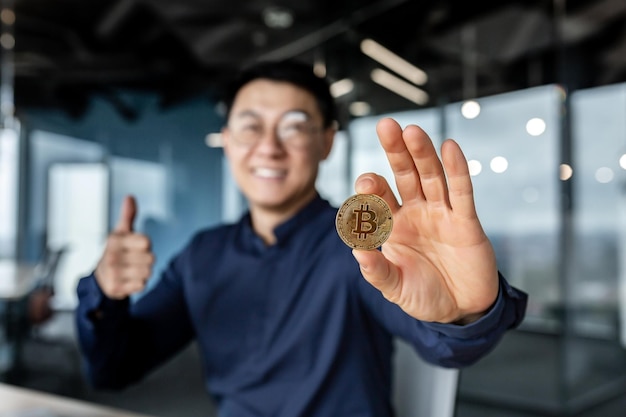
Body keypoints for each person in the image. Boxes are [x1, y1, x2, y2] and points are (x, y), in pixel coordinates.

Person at [75, 60, 527, 417]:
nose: (269, 146)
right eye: (250, 127)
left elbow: (442, 344)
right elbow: (114, 369)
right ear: (228, 140)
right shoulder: (202, 255)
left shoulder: (363, 247)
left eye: (293, 125)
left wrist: (464, 313)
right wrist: (104, 294)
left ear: (327, 141)